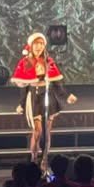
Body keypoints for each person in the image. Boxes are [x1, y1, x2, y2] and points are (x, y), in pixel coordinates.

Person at [11, 32, 77, 165]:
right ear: (31, 45)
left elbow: (56, 83)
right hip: (34, 98)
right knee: (37, 131)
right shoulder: (25, 62)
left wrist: (66, 96)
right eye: (36, 44)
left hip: (48, 97)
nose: (39, 46)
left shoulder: (48, 61)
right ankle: (33, 158)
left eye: (41, 44)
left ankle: (45, 159)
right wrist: (22, 104)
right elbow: (24, 86)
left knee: (47, 132)